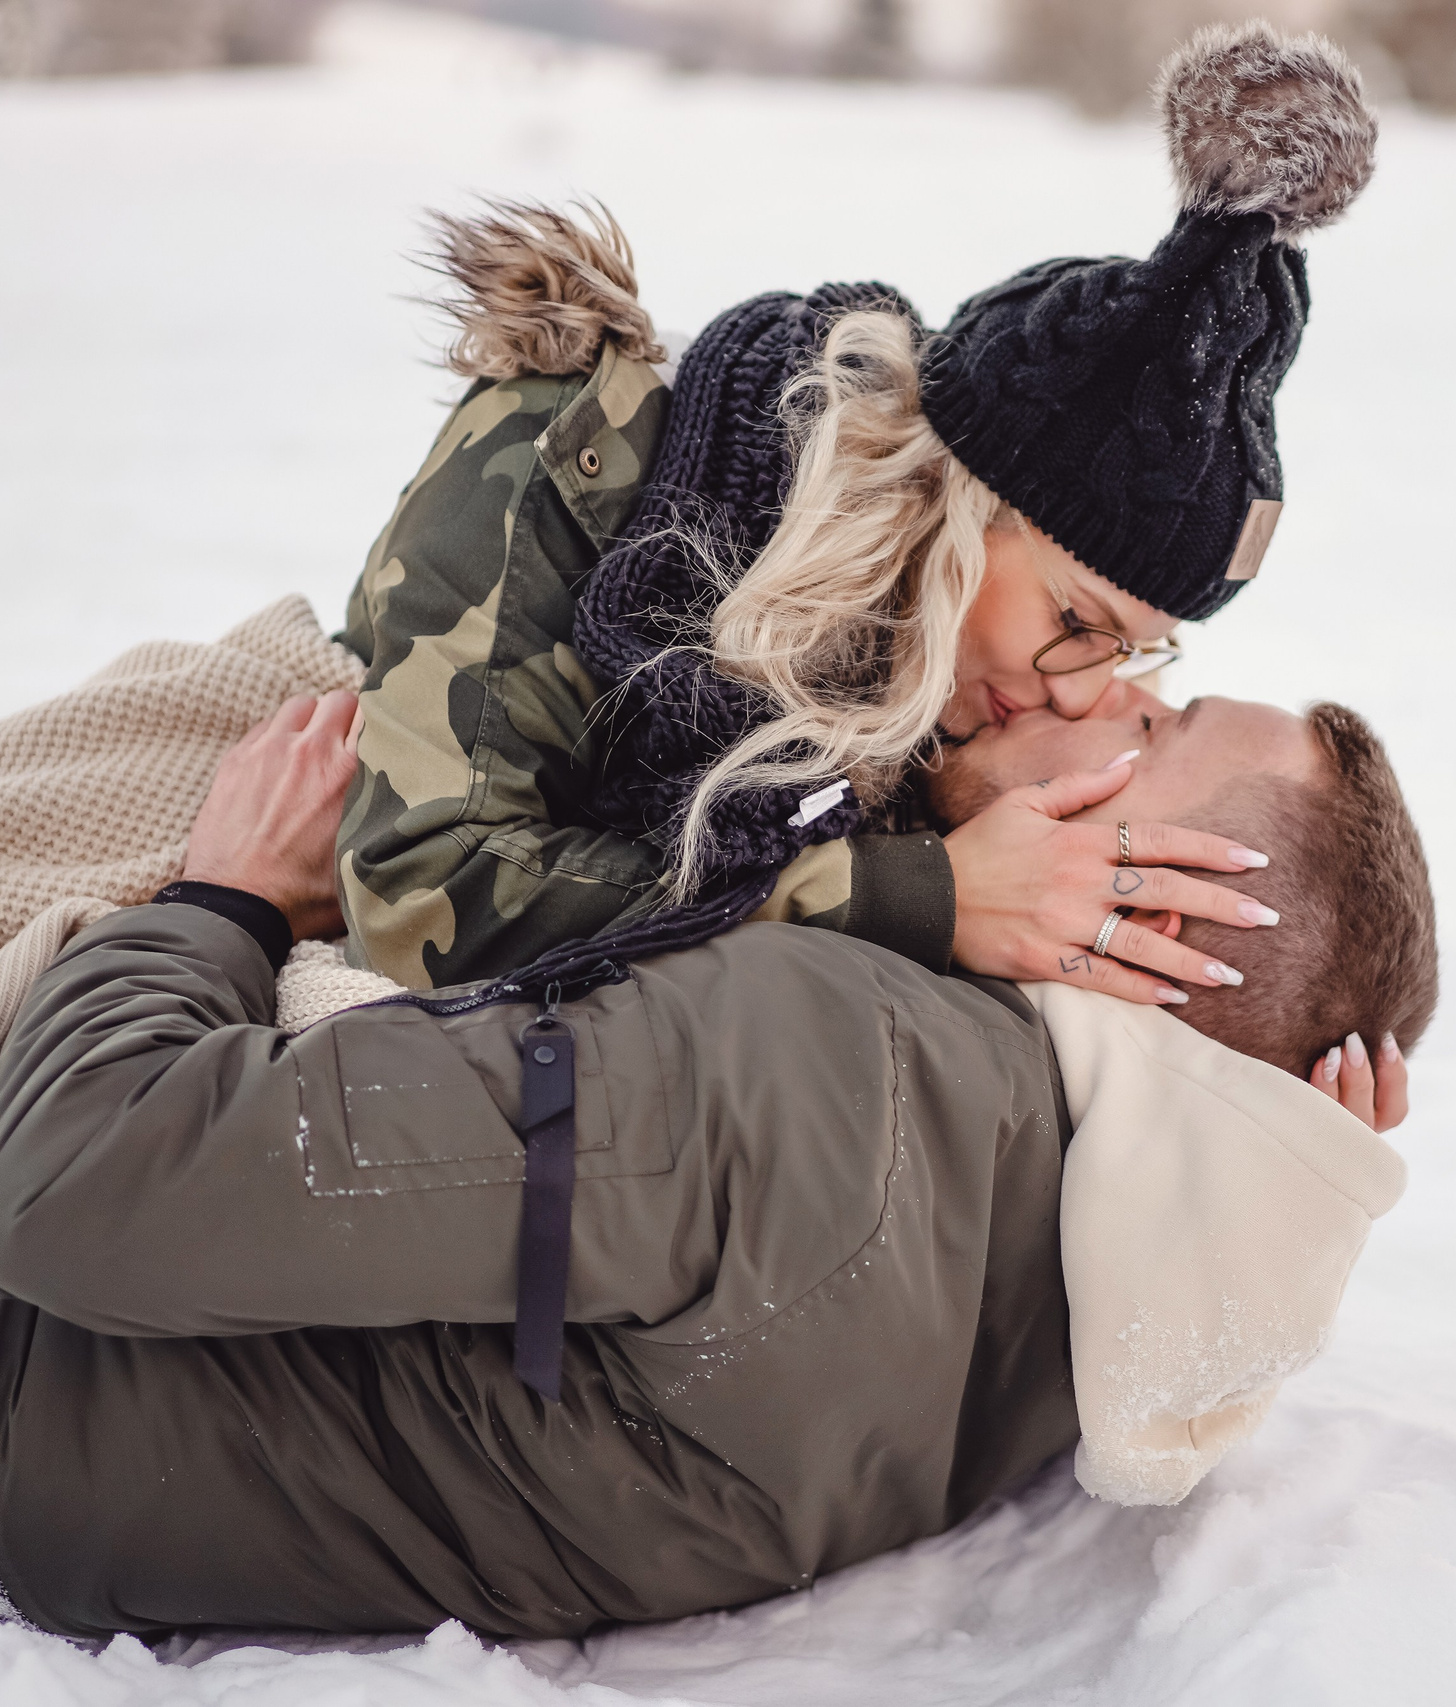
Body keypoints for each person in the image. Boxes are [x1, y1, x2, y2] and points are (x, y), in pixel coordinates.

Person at [0, 682, 1434, 1636]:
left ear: (1154, 906)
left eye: (1167, 717)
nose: (1106, 683)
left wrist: (223, 895)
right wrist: (1286, 1190)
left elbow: (84, 1183)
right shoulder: (1081, 1309)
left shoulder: (825, 1090)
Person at [335, 23, 1383, 1019]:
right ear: (966, 504)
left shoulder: (933, 696)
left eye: (1132, 654)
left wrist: (1272, 1097)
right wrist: (912, 895)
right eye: (1078, 621)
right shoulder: (565, 456)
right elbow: (422, 894)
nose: (1076, 693)